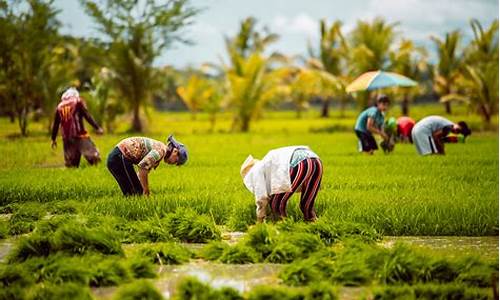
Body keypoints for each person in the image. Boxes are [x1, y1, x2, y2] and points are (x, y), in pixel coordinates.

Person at [240, 146, 323, 222]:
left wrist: (260, 219)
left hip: (299, 163)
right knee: (306, 206)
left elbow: (261, 197)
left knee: (276, 204)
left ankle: (283, 229)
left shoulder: (255, 171)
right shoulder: (267, 164)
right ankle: (316, 228)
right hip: (316, 160)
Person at [107, 135, 188, 196]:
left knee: (131, 194)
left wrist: (141, 187)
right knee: (137, 192)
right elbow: (142, 168)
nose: (173, 163)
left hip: (118, 158)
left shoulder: (159, 151)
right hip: (119, 158)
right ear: (175, 151)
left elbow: (140, 174)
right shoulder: (160, 151)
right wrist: (146, 190)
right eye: (176, 161)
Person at [51, 87, 104, 167]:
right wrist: (97, 128)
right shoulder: (78, 101)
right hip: (80, 135)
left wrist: (53, 139)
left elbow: (56, 124)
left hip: (66, 138)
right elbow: (87, 116)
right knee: (95, 159)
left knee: (71, 165)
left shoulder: (59, 106)